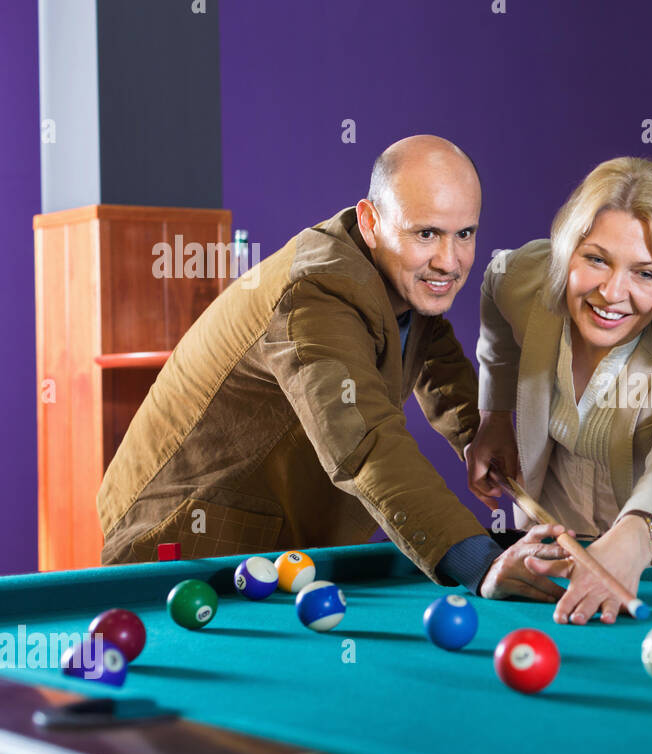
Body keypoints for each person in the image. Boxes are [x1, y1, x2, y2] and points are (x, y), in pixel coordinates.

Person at [98, 135, 572, 601]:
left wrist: (478, 429)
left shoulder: (397, 275)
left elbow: (430, 350)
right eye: (426, 233)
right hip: (184, 542)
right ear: (370, 221)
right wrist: (478, 561)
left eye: (464, 234)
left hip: (272, 554)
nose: (449, 261)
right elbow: (364, 441)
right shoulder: (316, 295)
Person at [466, 157, 652, 626]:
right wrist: (494, 414)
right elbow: (494, 285)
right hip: (559, 555)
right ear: (568, 252)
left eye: (646, 273)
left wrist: (636, 534)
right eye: (596, 259)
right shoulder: (531, 281)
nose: (612, 293)